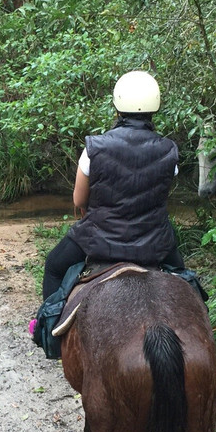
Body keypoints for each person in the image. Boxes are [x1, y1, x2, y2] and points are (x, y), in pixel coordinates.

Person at [40, 70, 185, 304]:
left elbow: (78, 201)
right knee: (187, 283)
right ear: (154, 108)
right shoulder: (168, 150)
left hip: (98, 238)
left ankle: (47, 326)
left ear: (117, 108)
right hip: (154, 240)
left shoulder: (95, 148)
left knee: (54, 267)